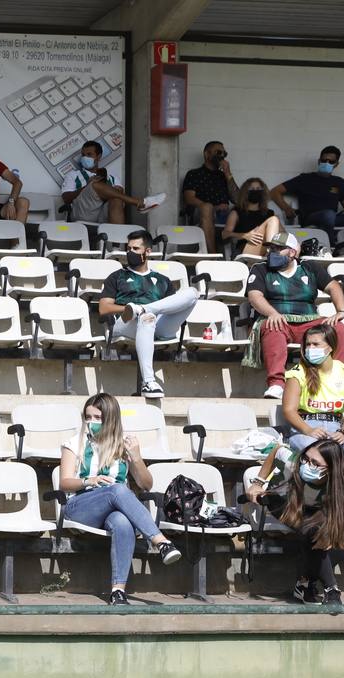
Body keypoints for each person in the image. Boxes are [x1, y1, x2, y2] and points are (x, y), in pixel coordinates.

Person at [57, 393, 182, 605]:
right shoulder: (74, 443)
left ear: (111, 419)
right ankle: (161, 542)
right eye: (88, 417)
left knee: (122, 522)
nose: (91, 422)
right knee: (117, 490)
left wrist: (136, 456)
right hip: (80, 506)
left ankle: (118, 591)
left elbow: (146, 484)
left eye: (98, 418)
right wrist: (89, 481)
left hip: (112, 507)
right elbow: (64, 483)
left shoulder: (122, 446)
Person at [246, 439, 344, 606]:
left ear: (331, 469)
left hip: (322, 511)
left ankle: (305, 582)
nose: (307, 465)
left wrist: (330, 532)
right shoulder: (294, 463)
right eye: (306, 459)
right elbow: (276, 450)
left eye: (315, 463)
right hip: (287, 502)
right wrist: (258, 483)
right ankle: (331, 589)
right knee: (313, 530)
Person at [244, 232, 344, 400]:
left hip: (309, 321)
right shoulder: (260, 269)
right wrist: (272, 313)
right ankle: (276, 385)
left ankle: (335, 380)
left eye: (278, 249)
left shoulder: (309, 267)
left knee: (338, 328)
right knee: (273, 325)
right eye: (271, 248)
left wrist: (341, 311)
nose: (272, 252)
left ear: (292, 252)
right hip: (278, 319)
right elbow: (254, 296)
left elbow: (334, 286)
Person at [97, 229, 199, 399]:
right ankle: (149, 382)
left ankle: (146, 309)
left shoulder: (162, 280)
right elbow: (103, 308)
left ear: (148, 252)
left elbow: (172, 306)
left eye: (135, 249)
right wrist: (129, 309)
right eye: (128, 249)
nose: (130, 253)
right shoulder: (117, 276)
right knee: (145, 318)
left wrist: (145, 309)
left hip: (157, 324)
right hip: (123, 324)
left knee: (193, 293)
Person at [280, 323, 344, 466]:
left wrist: (343, 432)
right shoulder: (297, 372)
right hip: (305, 428)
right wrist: (308, 430)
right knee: (316, 450)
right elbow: (288, 410)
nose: (310, 349)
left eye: (316, 344)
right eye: (308, 344)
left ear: (331, 346)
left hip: (336, 427)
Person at [271, 146, 344, 242]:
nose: (327, 163)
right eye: (324, 160)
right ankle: (330, 246)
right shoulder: (305, 179)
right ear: (319, 161)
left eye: (331, 162)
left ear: (336, 164)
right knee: (329, 215)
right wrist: (286, 208)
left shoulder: (339, 182)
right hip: (310, 218)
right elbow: (274, 192)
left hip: (332, 218)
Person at [62, 140, 153, 224]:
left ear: (99, 156)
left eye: (89, 154)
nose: (85, 157)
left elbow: (119, 193)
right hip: (83, 214)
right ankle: (138, 202)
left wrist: (115, 190)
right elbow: (66, 198)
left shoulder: (112, 177)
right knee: (94, 185)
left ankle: (117, 240)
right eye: (83, 155)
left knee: (117, 198)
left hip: (105, 215)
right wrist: (87, 187)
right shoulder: (73, 175)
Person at [180, 140, 237, 253]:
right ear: (207, 154)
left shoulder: (223, 176)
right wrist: (212, 208)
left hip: (225, 216)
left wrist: (228, 174)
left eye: (224, 154)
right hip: (201, 213)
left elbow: (237, 199)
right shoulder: (194, 174)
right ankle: (212, 255)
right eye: (218, 152)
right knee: (207, 208)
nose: (222, 156)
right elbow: (189, 198)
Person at [222, 178, 282, 257]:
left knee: (295, 246)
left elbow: (284, 234)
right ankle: (273, 256)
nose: (255, 191)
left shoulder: (269, 213)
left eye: (258, 189)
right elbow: (224, 234)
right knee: (274, 220)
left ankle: (273, 255)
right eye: (251, 188)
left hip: (265, 249)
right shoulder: (237, 212)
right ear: (245, 192)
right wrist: (245, 235)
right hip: (244, 250)